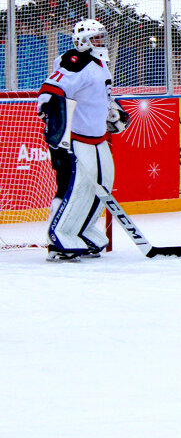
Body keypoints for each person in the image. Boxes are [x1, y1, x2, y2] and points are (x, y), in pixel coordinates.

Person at [36, 18, 128, 261]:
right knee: (73, 188)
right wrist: (50, 113)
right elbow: (52, 88)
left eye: (101, 37)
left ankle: (81, 231)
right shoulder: (75, 61)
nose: (100, 42)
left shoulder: (99, 64)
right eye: (95, 38)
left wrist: (112, 112)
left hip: (96, 138)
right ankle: (58, 238)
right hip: (73, 139)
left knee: (100, 185)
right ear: (83, 41)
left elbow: (101, 95)